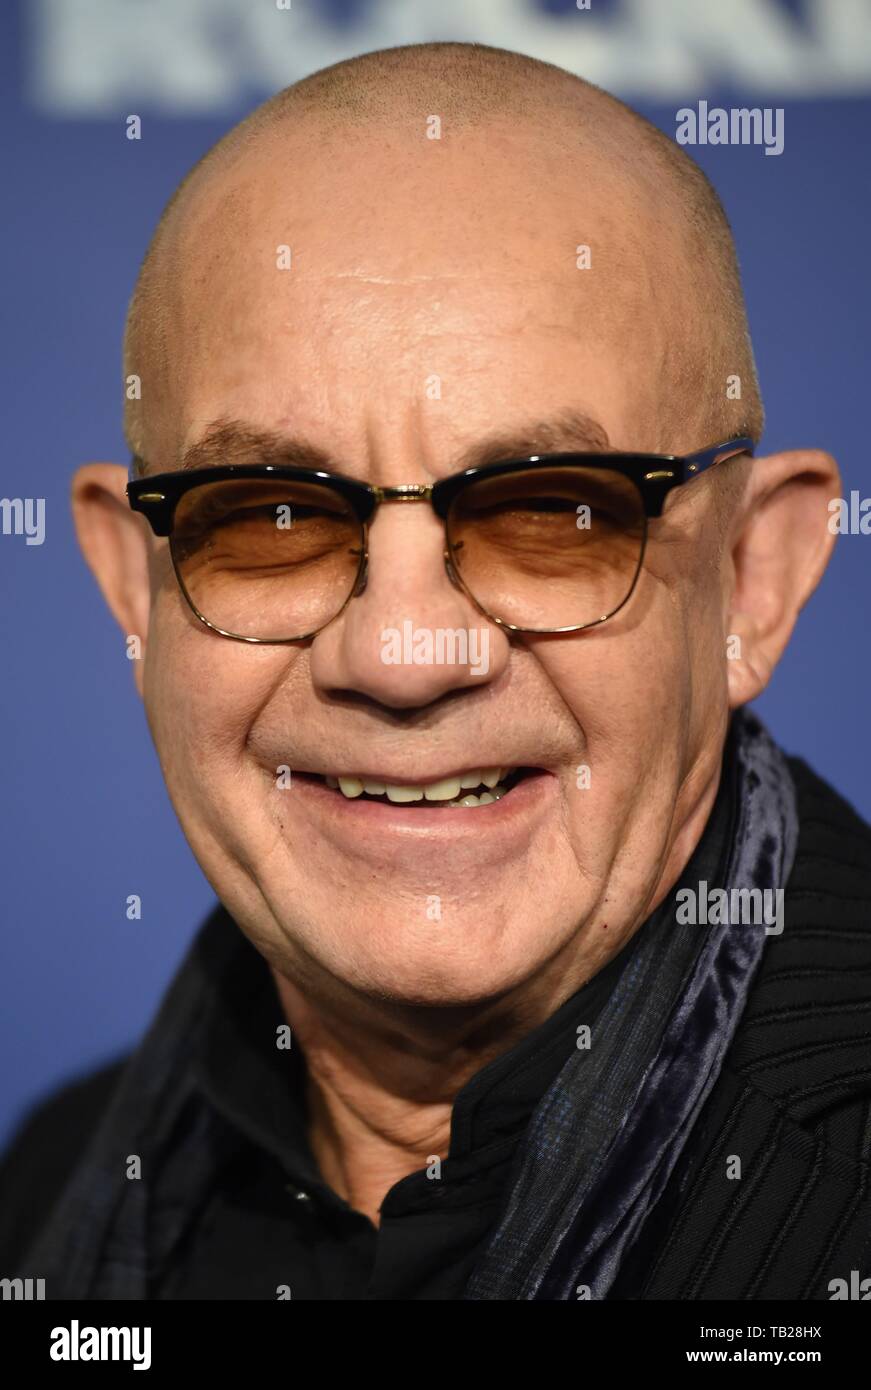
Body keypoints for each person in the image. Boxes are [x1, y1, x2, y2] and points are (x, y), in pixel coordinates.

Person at [3, 41, 869, 1301]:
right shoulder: (49, 1188)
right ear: (138, 591)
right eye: (272, 518)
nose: (402, 655)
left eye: (553, 514)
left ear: (754, 578)